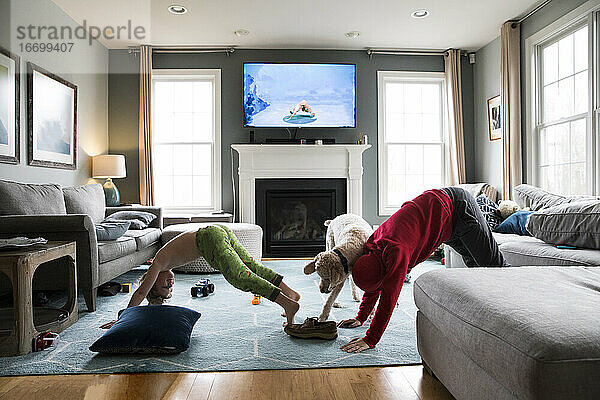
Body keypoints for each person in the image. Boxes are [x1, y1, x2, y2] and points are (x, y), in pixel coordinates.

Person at [338, 187, 508, 353]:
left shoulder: (396, 251)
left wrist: (371, 338)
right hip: (446, 222)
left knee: (495, 269)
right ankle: (496, 320)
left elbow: (389, 295)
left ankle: (518, 305)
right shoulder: (372, 246)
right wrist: (361, 316)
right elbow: (374, 281)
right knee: (479, 271)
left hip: (458, 207)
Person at [103, 224, 301, 329]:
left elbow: (139, 294)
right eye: (170, 287)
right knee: (252, 267)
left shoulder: (157, 264)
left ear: (152, 281)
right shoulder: (164, 264)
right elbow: (152, 307)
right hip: (216, 231)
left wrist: (122, 320)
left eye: (164, 285)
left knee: (240, 277)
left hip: (209, 238)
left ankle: (288, 304)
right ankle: (290, 293)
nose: (171, 283)